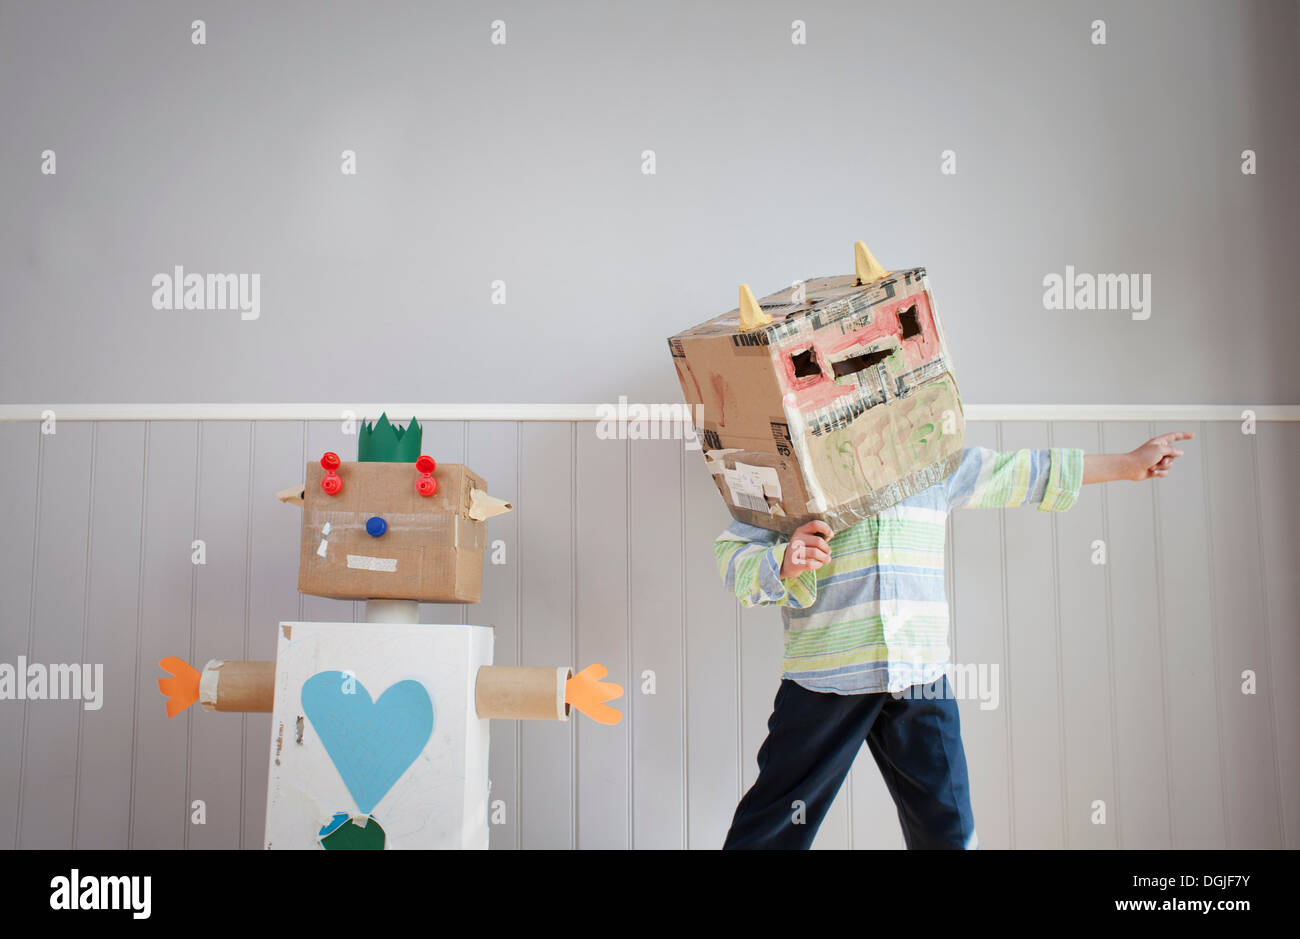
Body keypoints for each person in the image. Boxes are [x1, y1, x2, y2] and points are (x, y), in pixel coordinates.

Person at [716, 432, 1193, 849]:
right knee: (774, 826)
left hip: (922, 677)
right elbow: (733, 556)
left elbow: (1021, 472)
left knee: (948, 828)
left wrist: (1127, 464)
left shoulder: (932, 463)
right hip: (826, 677)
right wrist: (784, 560)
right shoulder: (791, 473)